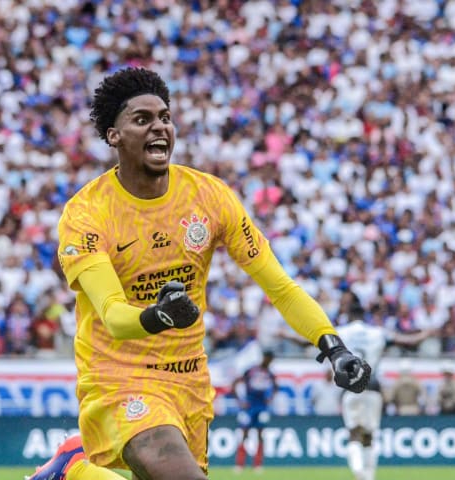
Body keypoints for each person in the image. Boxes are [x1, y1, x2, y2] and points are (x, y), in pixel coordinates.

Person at [26, 67, 370, 480]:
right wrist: (161, 315)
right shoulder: (87, 214)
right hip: (118, 378)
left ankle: (74, 472)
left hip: (189, 381)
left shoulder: (209, 197)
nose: (160, 127)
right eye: (142, 119)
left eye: (165, 117)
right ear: (113, 136)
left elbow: (279, 287)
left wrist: (333, 346)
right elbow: (115, 317)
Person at [335, 293, 433, 480]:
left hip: (350, 387)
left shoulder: (341, 332)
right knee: (369, 435)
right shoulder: (377, 333)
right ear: (365, 316)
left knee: (354, 433)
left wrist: (284, 333)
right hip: (372, 385)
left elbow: (309, 340)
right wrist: (427, 333)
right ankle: (369, 475)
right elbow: (409, 342)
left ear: (348, 315)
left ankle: (358, 472)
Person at [231, 350, 278, 473]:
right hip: (249, 406)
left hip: (262, 407)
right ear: (264, 357)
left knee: (260, 434)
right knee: (244, 434)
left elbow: (276, 387)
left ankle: (257, 464)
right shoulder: (251, 371)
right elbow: (235, 382)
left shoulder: (269, 373)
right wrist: (239, 401)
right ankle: (240, 464)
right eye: (268, 359)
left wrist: (270, 398)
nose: (269, 362)